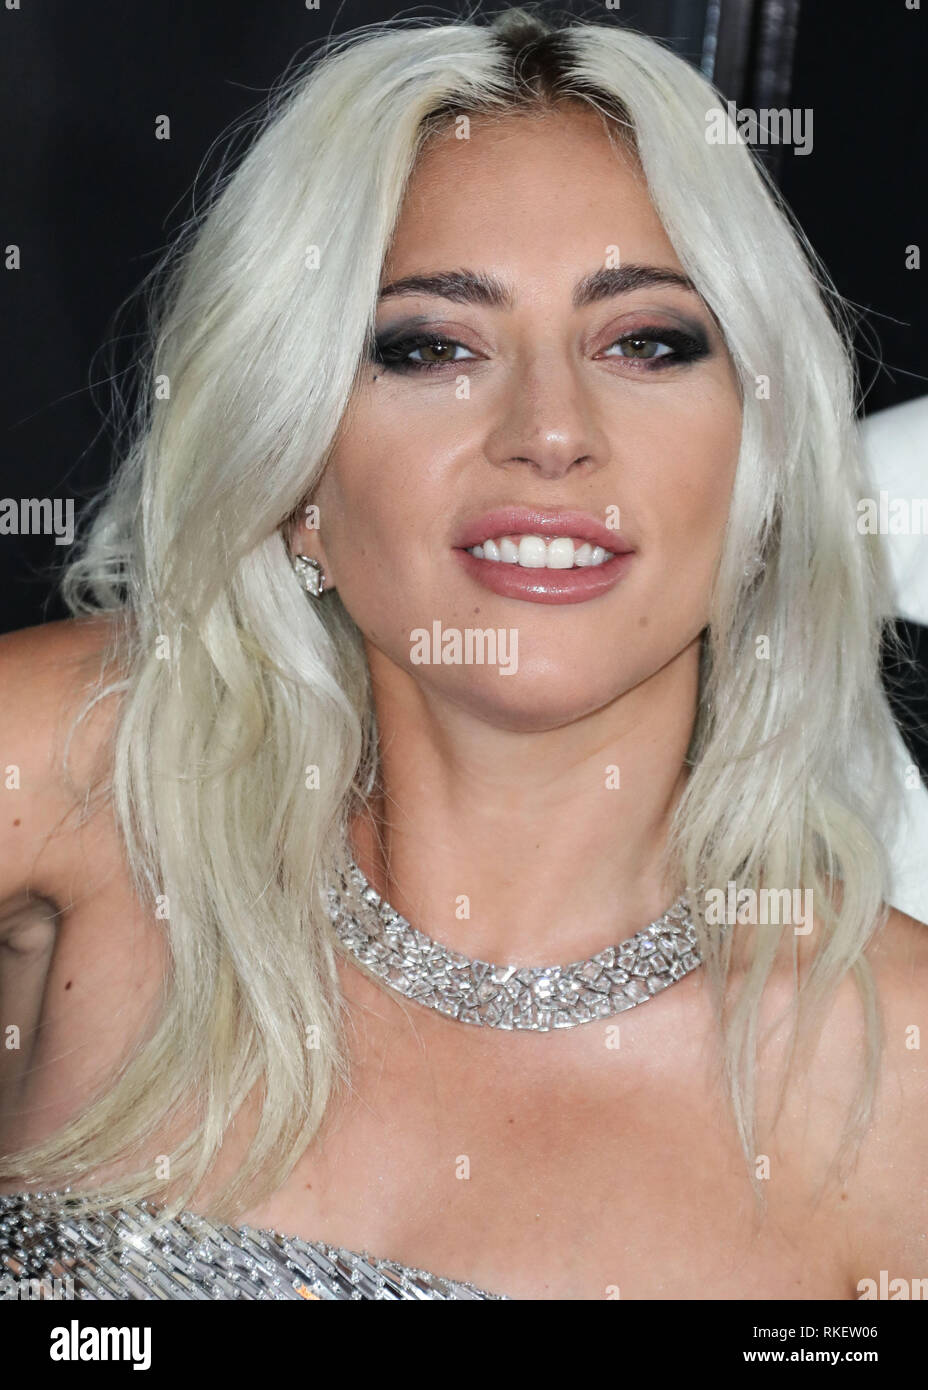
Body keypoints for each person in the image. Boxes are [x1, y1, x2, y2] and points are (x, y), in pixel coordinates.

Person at [0, 7, 925, 1302]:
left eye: (647, 341)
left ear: (762, 471)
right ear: (299, 477)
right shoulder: (78, 774)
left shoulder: (899, 1087)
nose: (549, 431)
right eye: (429, 346)